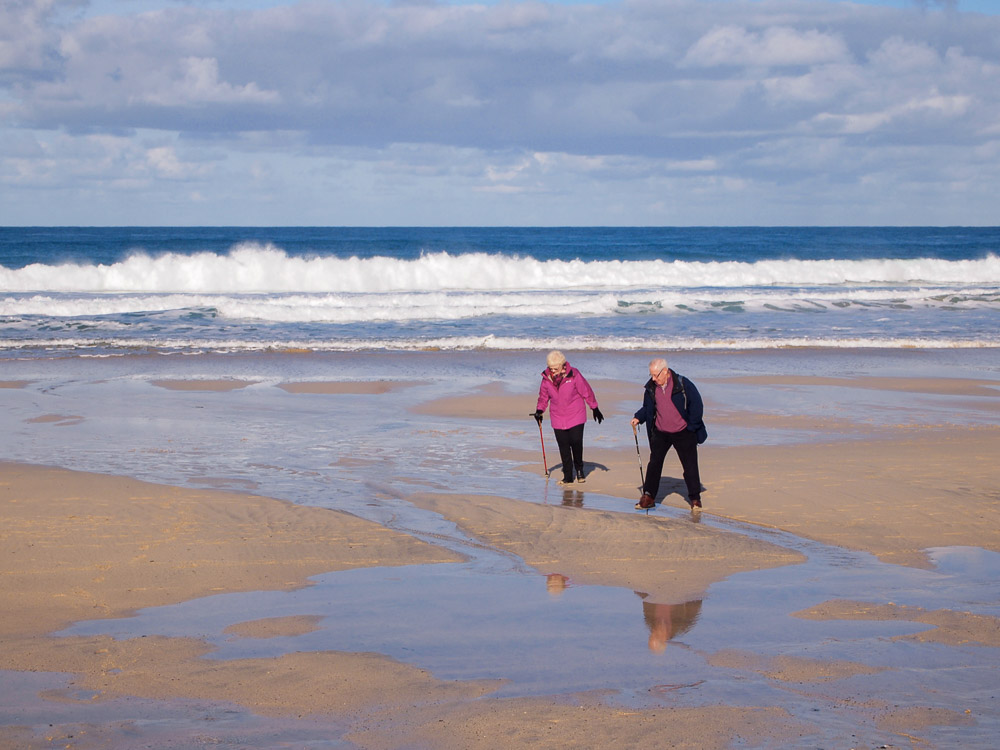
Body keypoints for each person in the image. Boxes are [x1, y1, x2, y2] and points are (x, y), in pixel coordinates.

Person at [630, 357, 707, 511]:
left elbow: (697, 405)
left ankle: (695, 499)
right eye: (651, 375)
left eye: (656, 375)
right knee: (654, 464)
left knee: (690, 466)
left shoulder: (683, 384)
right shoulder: (651, 388)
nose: (653, 378)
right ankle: (649, 496)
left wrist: (691, 427)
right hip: (661, 431)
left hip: (683, 431)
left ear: (665, 372)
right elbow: (648, 408)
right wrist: (638, 417)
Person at [534, 350, 603, 486]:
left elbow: (586, 390)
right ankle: (567, 476)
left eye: (555, 368)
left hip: (576, 413)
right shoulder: (546, 379)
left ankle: (579, 470)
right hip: (557, 416)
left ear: (562, 365)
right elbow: (543, 397)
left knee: (576, 442)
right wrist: (539, 411)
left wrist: (594, 407)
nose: (552, 371)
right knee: (564, 446)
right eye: (550, 368)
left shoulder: (574, 374)